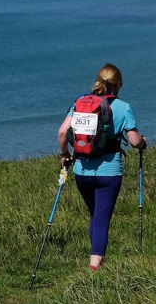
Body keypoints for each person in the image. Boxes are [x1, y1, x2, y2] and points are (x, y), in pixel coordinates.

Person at [57, 63, 146, 270]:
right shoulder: (123, 107)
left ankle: (98, 261)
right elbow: (134, 141)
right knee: (102, 219)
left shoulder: (80, 102)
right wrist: (143, 142)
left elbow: (62, 132)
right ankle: (95, 267)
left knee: (95, 216)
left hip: (81, 170)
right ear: (119, 84)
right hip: (109, 172)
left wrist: (64, 155)